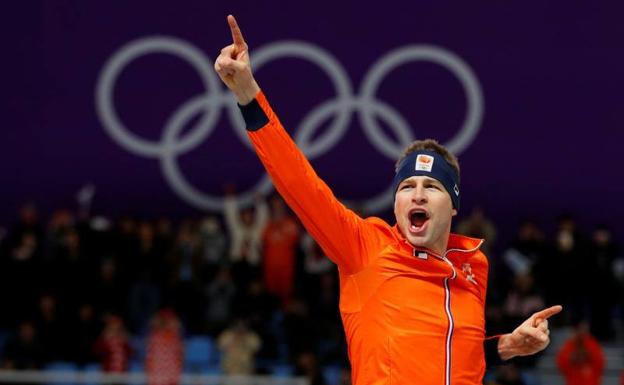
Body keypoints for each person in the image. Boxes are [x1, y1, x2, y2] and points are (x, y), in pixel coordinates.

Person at [214, 15, 561, 385]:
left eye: (432, 187)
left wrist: (506, 346)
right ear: (396, 204)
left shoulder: (475, 266)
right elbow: (299, 183)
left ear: (454, 205)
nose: (418, 194)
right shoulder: (364, 249)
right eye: (406, 186)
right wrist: (249, 96)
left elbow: (451, 353)